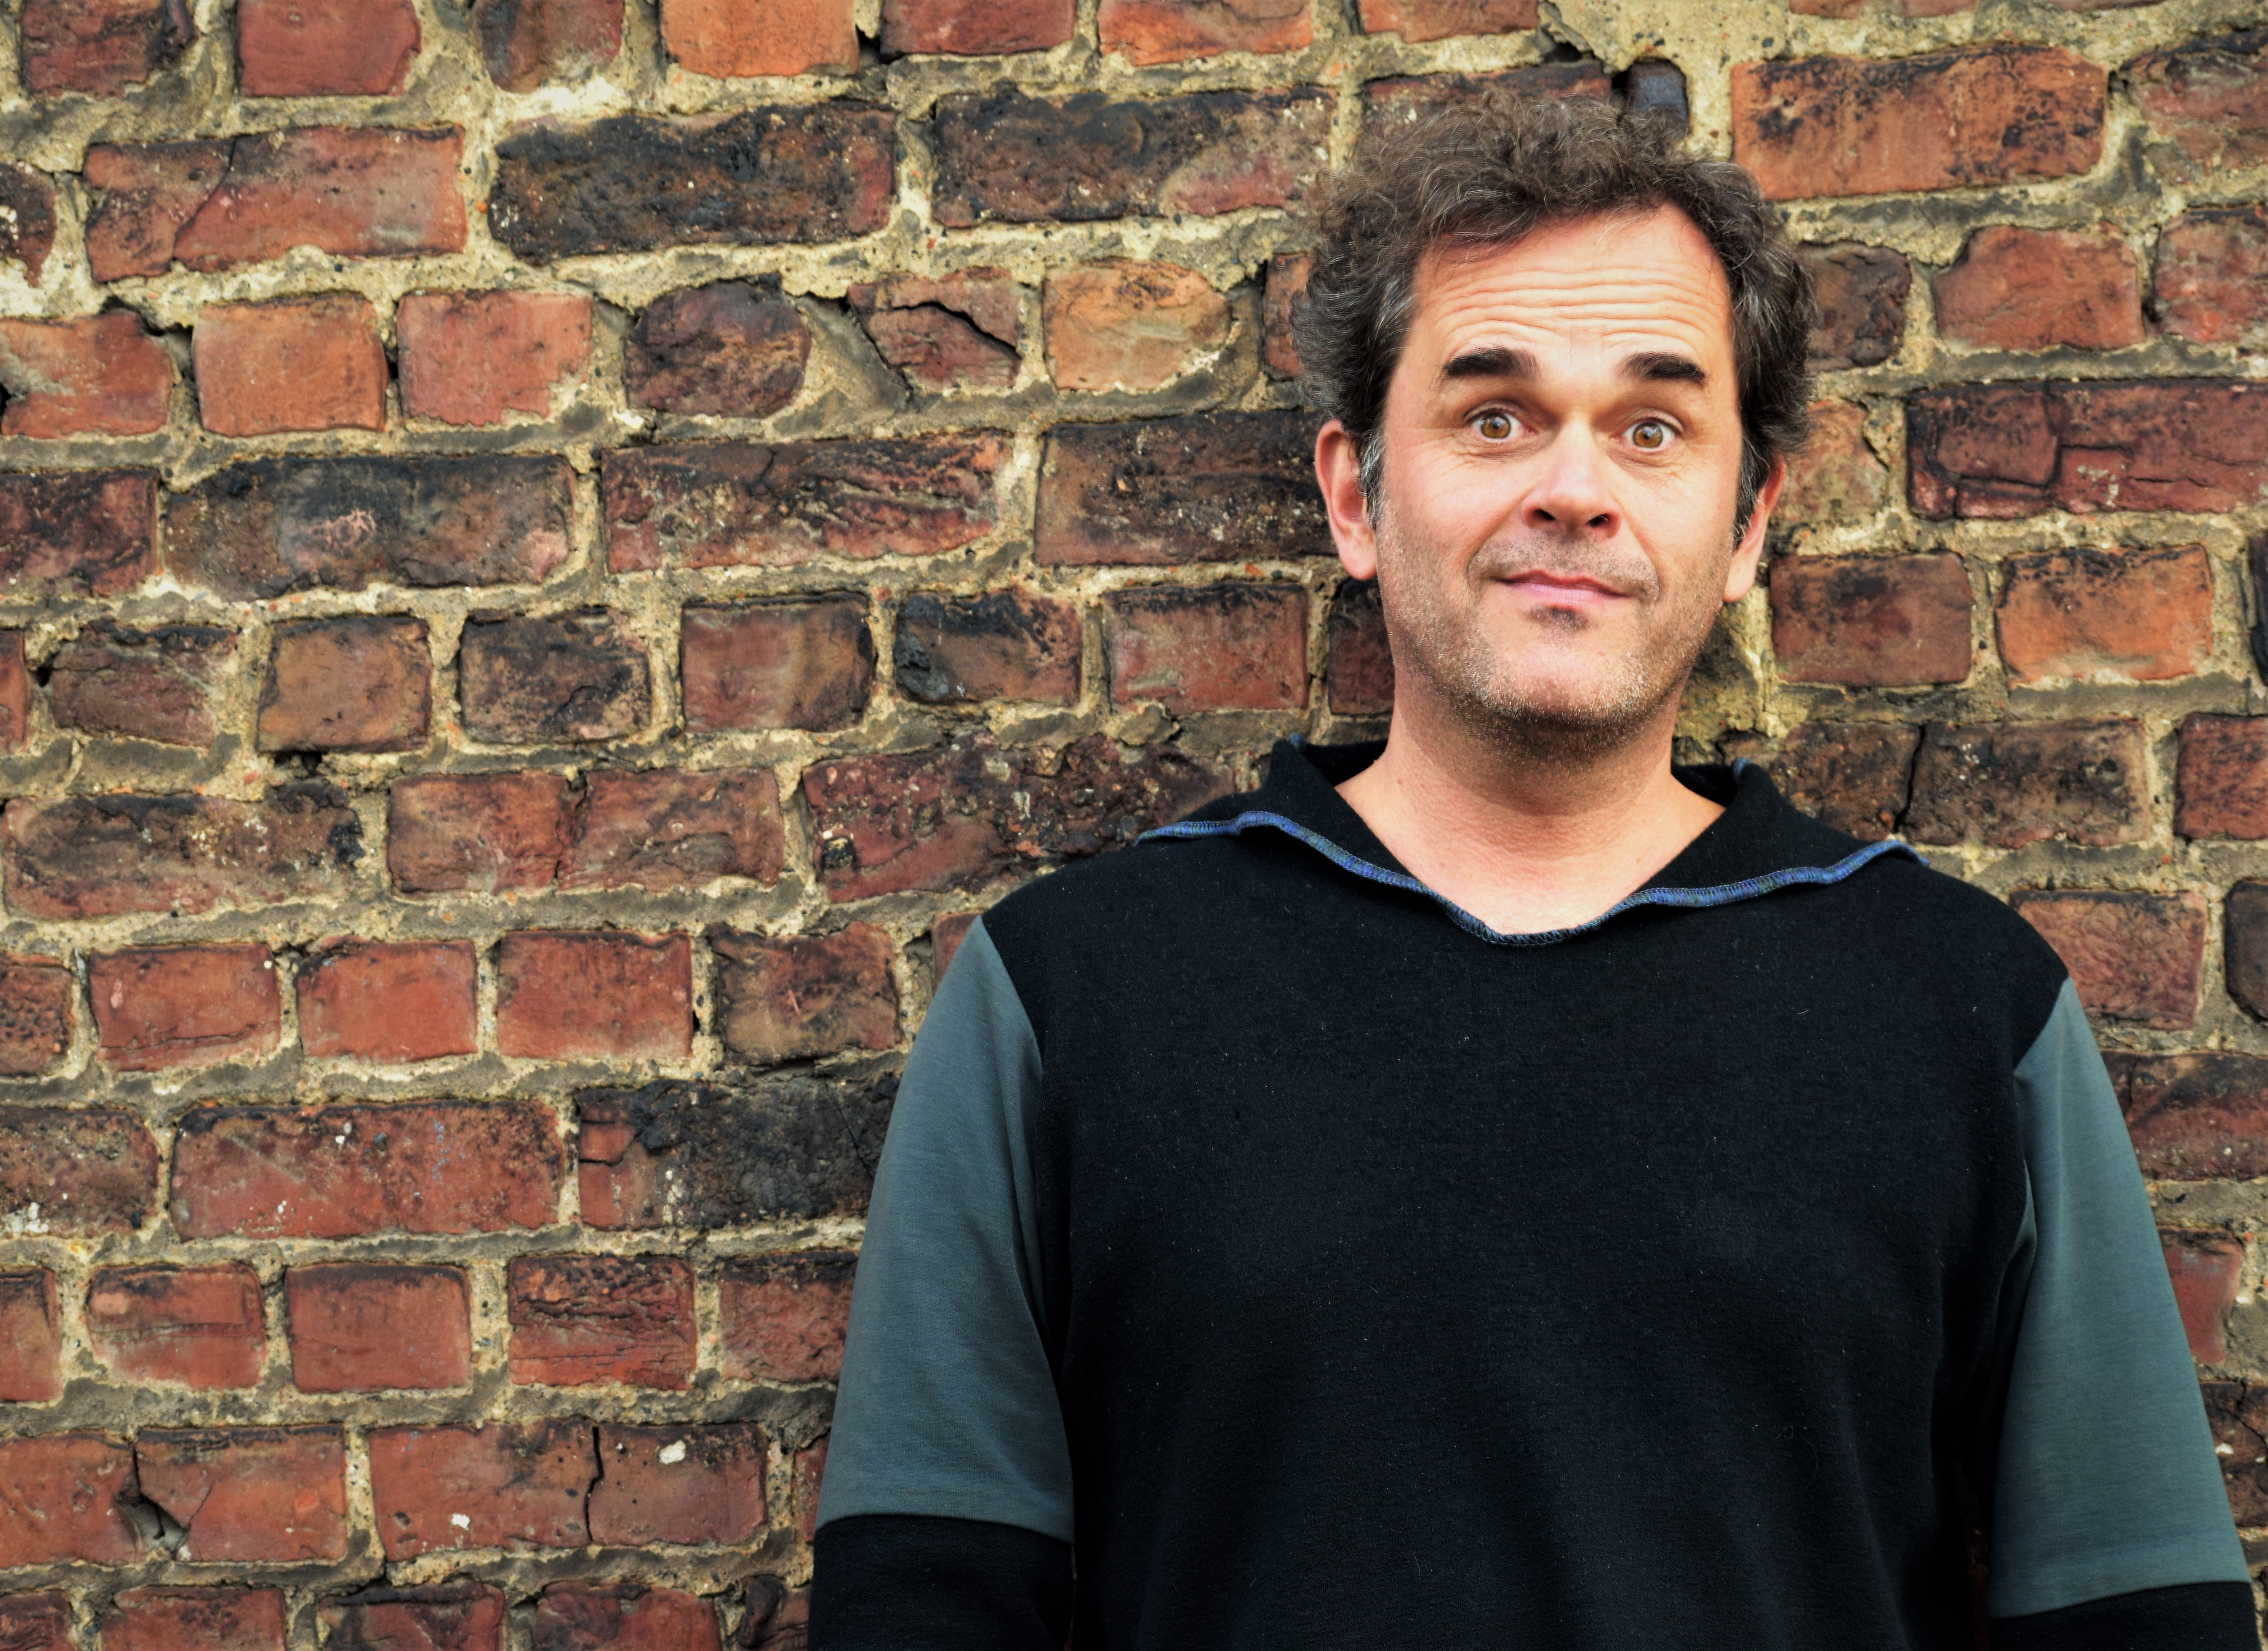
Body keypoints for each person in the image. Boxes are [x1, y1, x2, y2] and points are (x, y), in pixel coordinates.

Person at [808, 91, 2254, 1650]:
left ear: (1749, 523)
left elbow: (2142, 1621)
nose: (1575, 486)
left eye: (1653, 427)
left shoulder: (1964, 1009)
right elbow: (923, 1610)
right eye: (1495, 416)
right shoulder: (1067, 998)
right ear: (1357, 495)